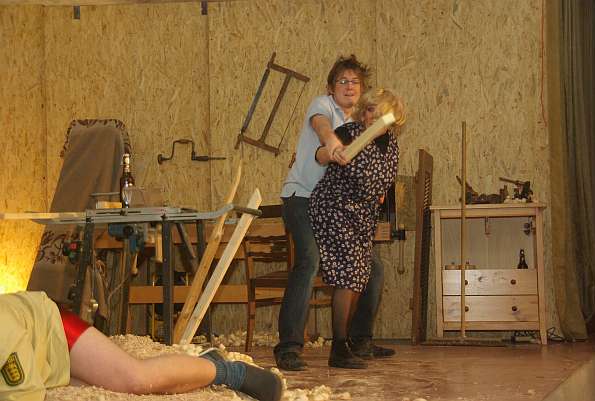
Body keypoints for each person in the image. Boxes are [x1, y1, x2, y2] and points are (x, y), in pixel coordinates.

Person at [275, 55, 395, 371]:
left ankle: (359, 341)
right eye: (342, 81)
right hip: (303, 198)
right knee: (309, 260)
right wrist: (331, 144)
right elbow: (322, 128)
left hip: (337, 208)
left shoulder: (363, 122)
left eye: (355, 82)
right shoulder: (323, 105)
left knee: (373, 268)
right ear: (331, 88)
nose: (349, 86)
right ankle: (288, 347)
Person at [0, 291, 282, 401]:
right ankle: (197, 369)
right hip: (30, 350)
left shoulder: (4, 335)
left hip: (51, 329)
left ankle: (227, 371)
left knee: (135, 378)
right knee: (103, 386)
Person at [310, 88, 405, 368]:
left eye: (377, 111)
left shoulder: (391, 145)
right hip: (334, 208)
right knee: (349, 273)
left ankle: (353, 342)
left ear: (392, 118)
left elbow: (382, 185)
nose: (370, 115)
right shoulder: (350, 133)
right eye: (368, 109)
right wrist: (331, 152)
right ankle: (339, 348)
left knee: (362, 274)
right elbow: (319, 155)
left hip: (362, 216)